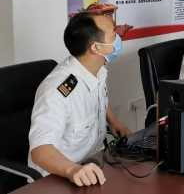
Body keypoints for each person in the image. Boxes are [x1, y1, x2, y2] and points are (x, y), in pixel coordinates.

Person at [28, 12, 131, 187]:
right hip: (58, 177)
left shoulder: (98, 69)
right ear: (96, 47)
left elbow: (100, 98)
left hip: (93, 164)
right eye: (114, 34)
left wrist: (115, 122)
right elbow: (40, 151)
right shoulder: (57, 91)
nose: (118, 37)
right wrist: (72, 170)